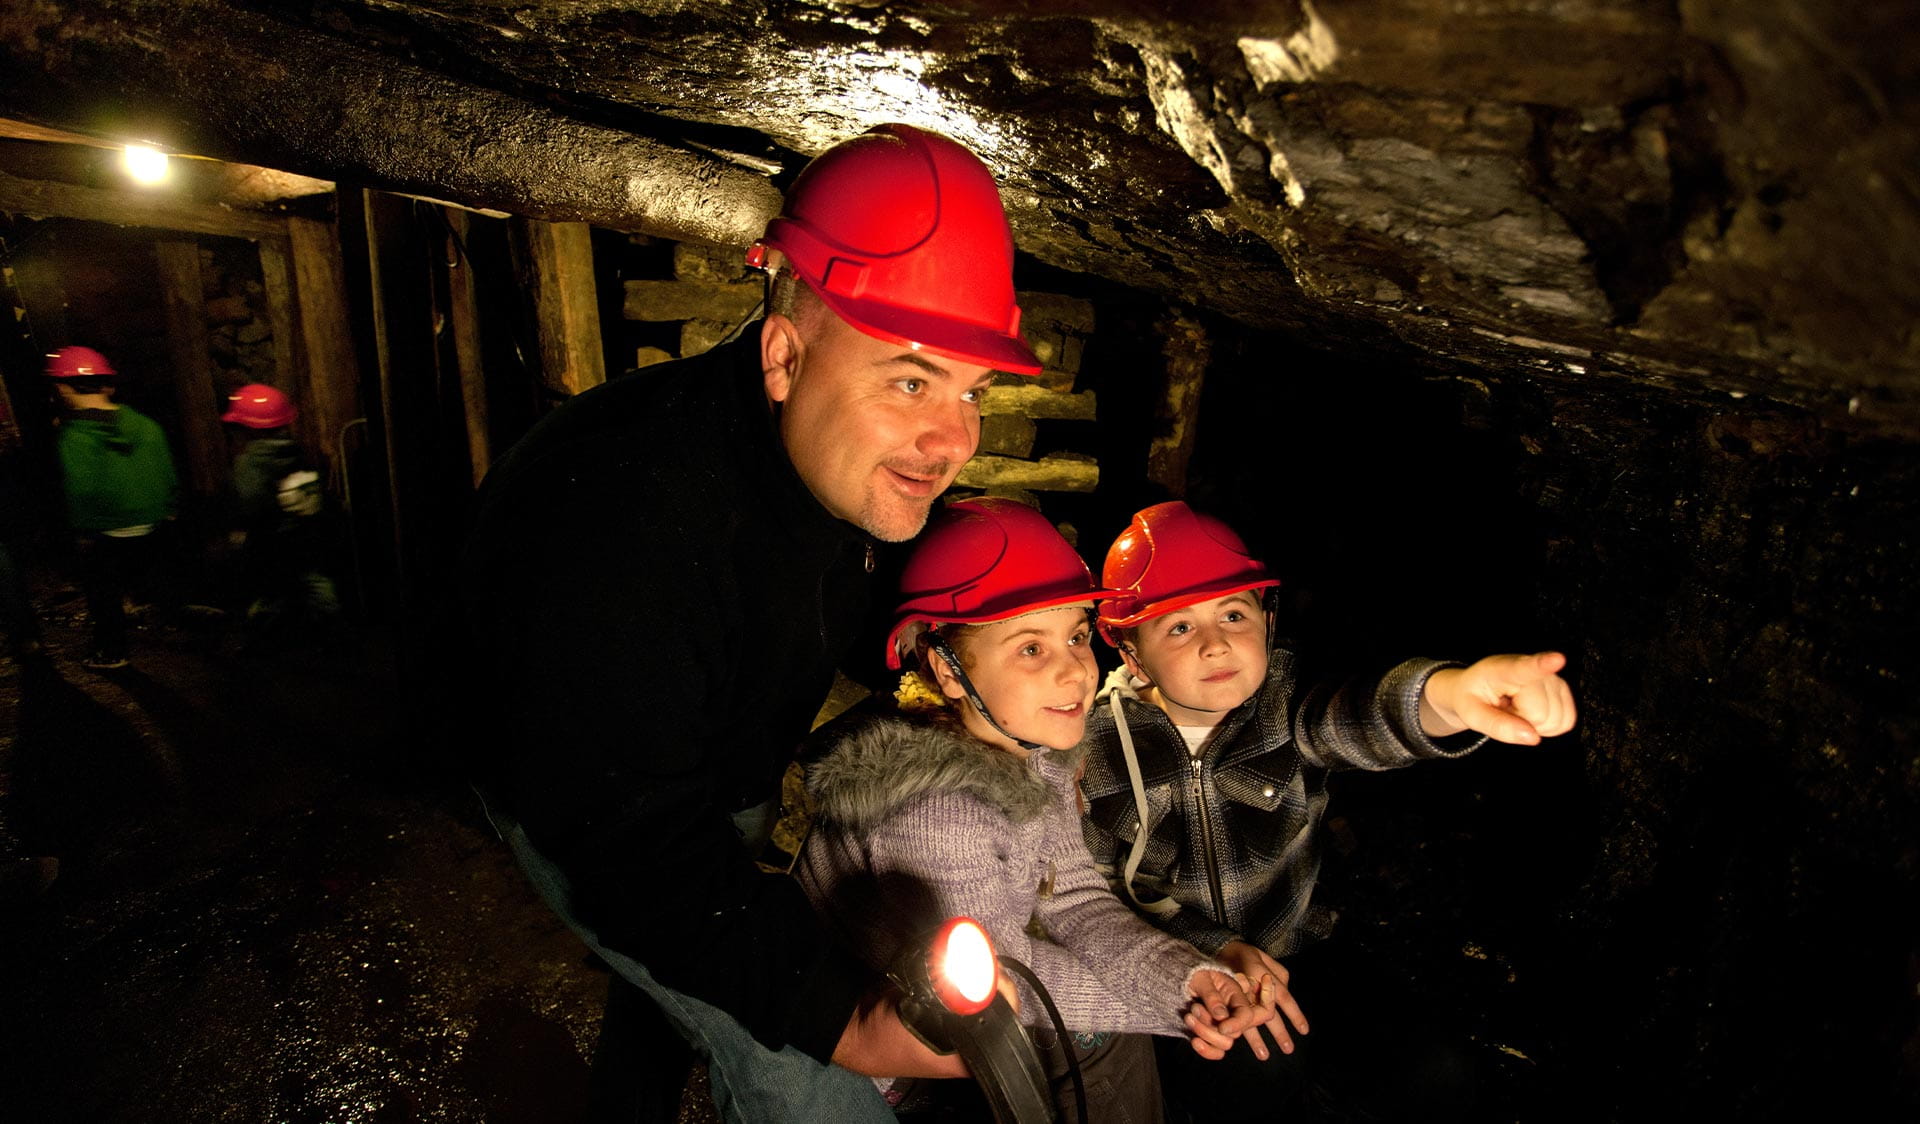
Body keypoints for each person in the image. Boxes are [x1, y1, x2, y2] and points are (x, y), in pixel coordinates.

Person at [459, 124, 1049, 1122]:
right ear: (783, 355)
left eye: (971, 389)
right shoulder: (625, 519)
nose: (953, 439)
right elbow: (629, 838)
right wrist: (836, 1015)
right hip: (573, 783)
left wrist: (985, 662)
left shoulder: (838, 454)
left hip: (712, 748)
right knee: (812, 1083)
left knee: (674, 972)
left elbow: (863, 597)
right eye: (911, 378)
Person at [797, 497, 1302, 1123]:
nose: (1076, 672)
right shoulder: (938, 817)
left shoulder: (1032, 753)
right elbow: (1008, 979)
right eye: (1030, 649)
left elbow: (1075, 899)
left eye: (1076, 636)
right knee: (1098, 1042)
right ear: (947, 669)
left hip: (970, 995)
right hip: (888, 1042)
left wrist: (1190, 978)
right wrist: (1180, 1011)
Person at [1078, 500, 1578, 1123]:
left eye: (1233, 614)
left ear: (1265, 620)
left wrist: (1452, 695)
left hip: (1303, 949)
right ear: (1130, 654)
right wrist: (1211, 950)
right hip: (1184, 968)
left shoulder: (1284, 705)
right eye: (1177, 627)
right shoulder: (1094, 750)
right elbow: (1094, 895)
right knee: (1248, 1082)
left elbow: (1360, 720)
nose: (1215, 645)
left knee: (1436, 1073)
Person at [44, 344, 183, 671]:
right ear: (108, 384)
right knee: (152, 577)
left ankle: (112, 651)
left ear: (63, 387)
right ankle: (177, 616)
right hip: (151, 525)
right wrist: (169, 510)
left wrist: (81, 532)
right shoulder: (146, 425)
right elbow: (166, 471)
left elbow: (83, 490)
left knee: (102, 593)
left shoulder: (74, 437)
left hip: (106, 532)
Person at [221, 383, 338, 643]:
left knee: (270, 593)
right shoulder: (297, 452)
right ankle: (333, 634)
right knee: (315, 584)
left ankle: (260, 640)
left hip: (269, 543)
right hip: (306, 537)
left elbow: (248, 506)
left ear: (245, 428)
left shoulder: (249, 465)